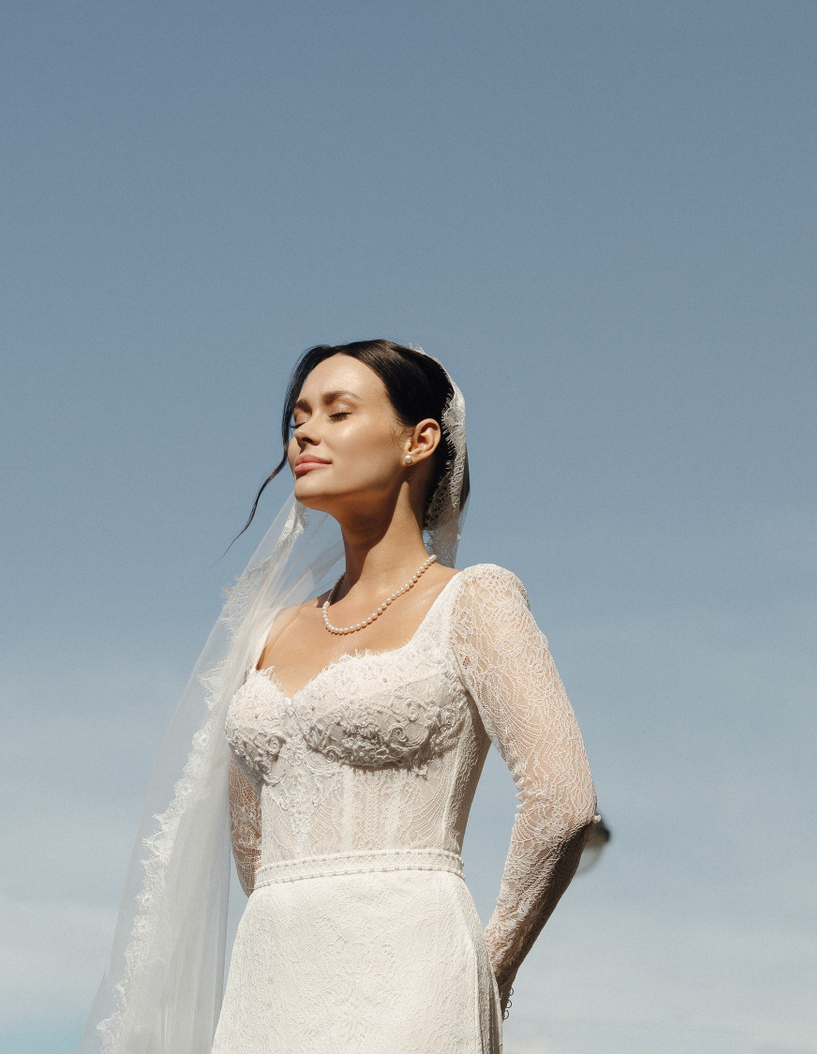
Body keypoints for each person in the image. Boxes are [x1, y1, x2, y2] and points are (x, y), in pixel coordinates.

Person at [84, 340, 598, 1054]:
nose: (304, 432)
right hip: (272, 978)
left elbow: (564, 803)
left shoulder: (475, 601)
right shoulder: (267, 632)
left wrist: (490, 966)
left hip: (415, 970)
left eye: (337, 411)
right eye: (298, 416)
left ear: (419, 441)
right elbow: (252, 846)